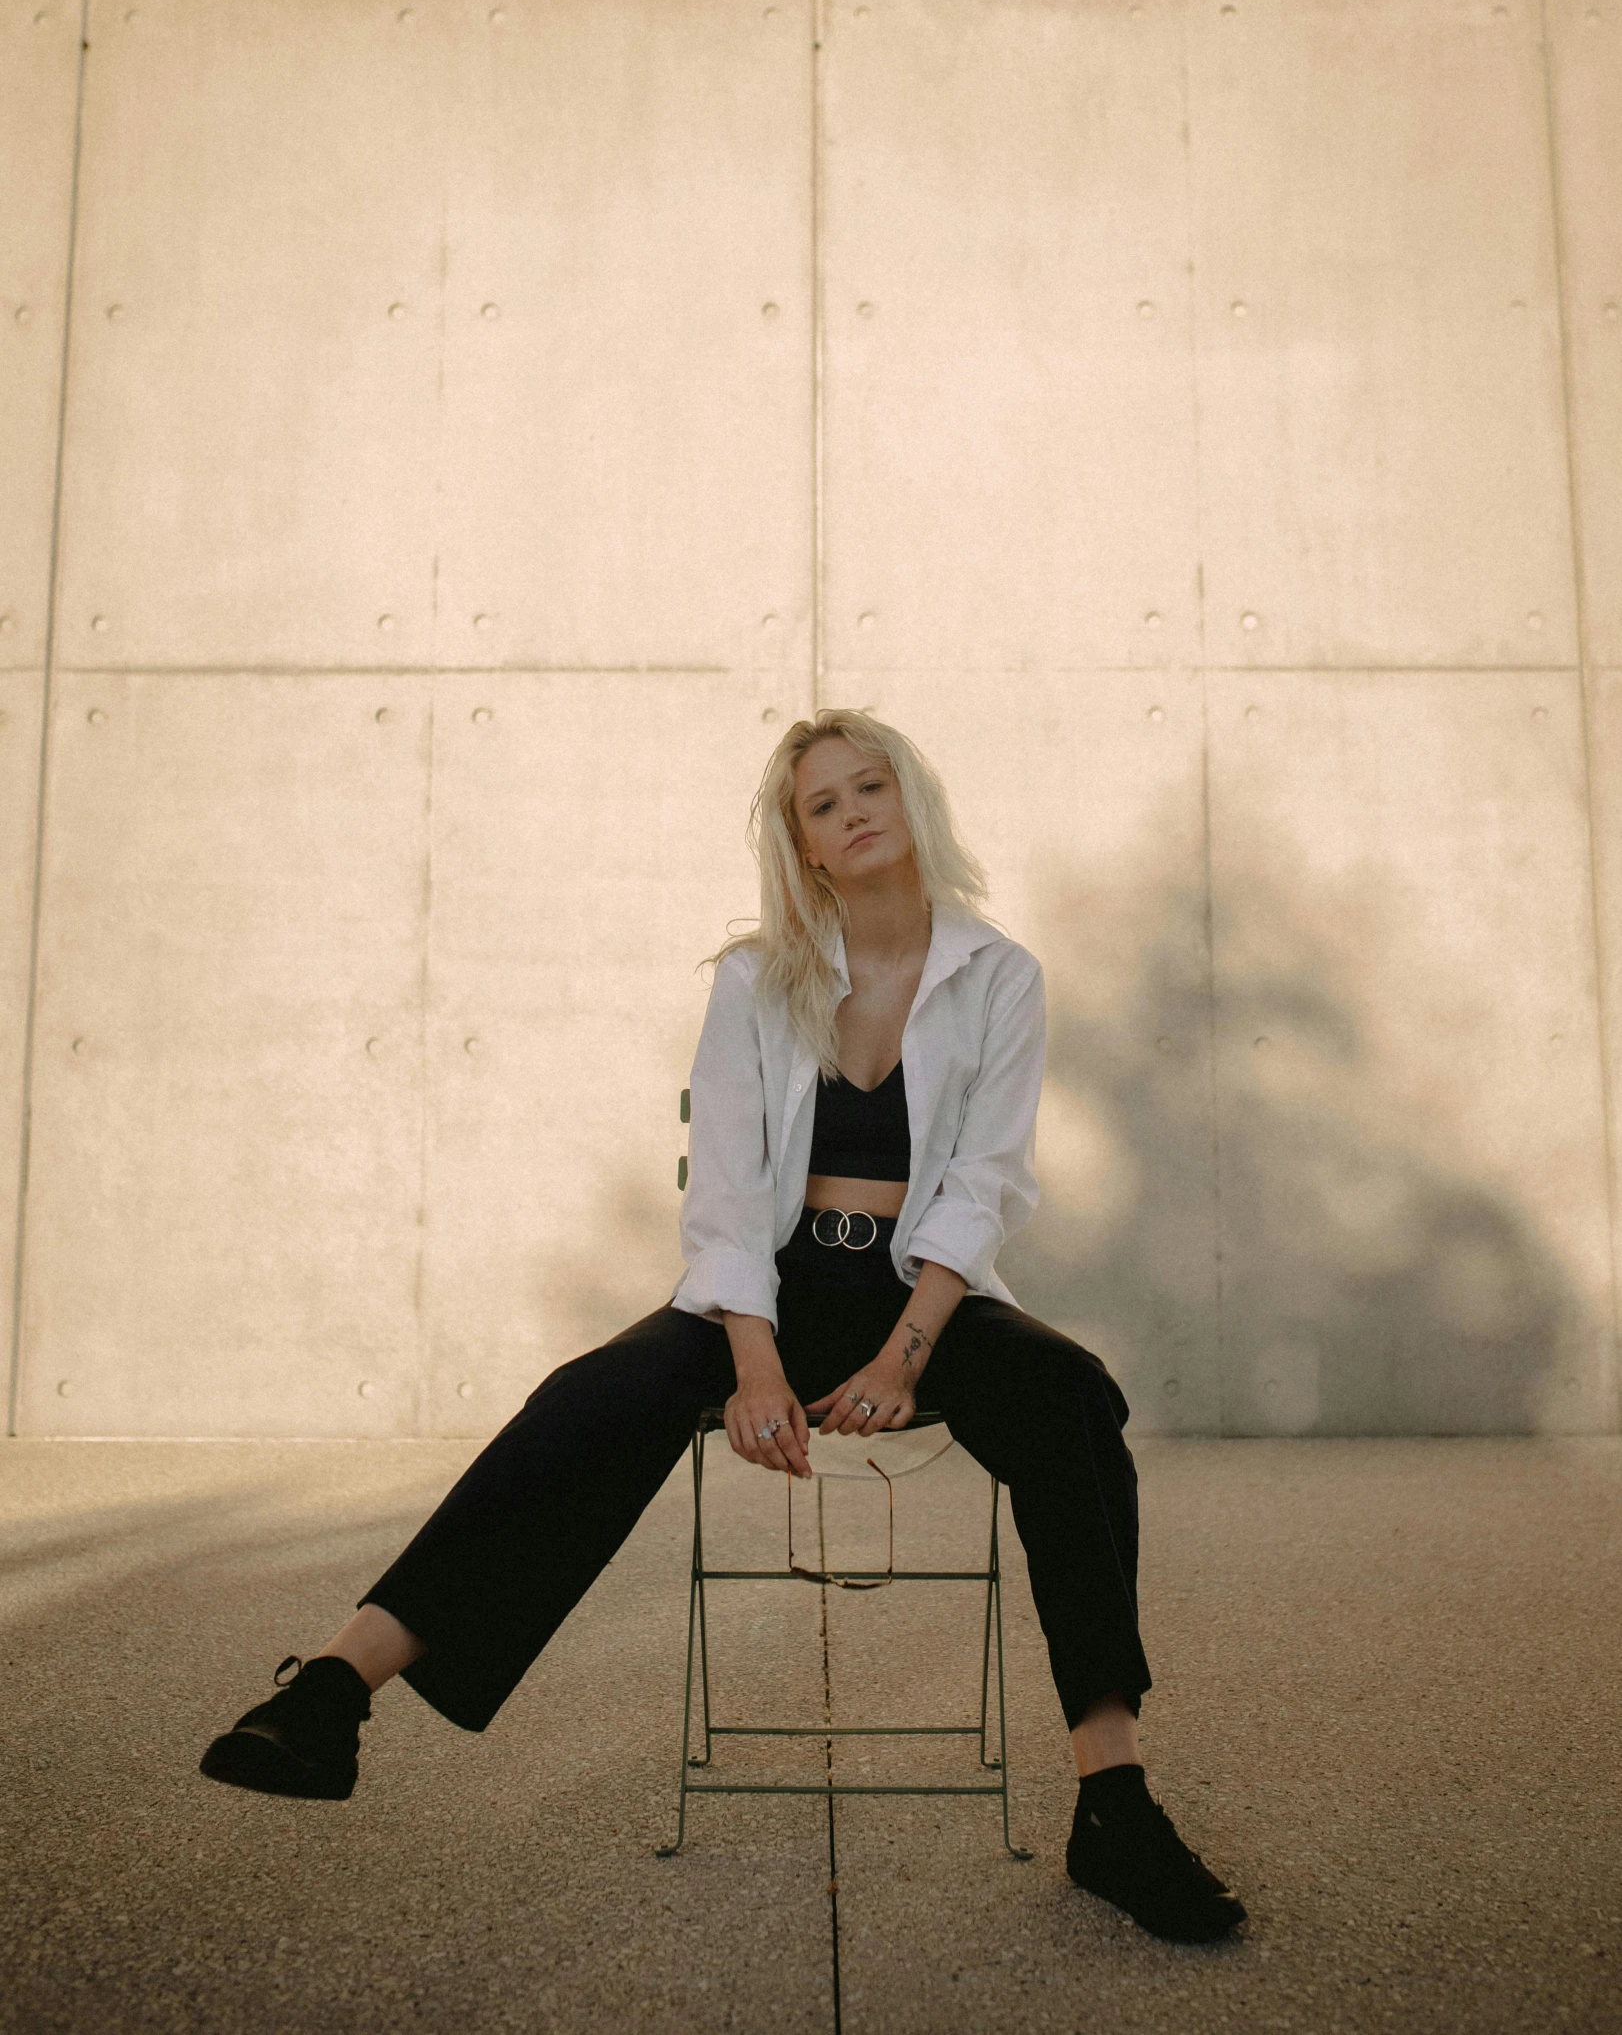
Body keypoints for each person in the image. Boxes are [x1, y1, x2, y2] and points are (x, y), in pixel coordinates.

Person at [200, 709, 1245, 1945]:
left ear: (913, 804)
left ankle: (1112, 1804)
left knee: (1072, 1395)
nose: (854, 811)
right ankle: (332, 1688)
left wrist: (903, 1356)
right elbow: (729, 1194)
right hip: (761, 1285)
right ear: (800, 843)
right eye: (823, 802)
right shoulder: (759, 977)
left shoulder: (998, 974)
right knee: (589, 1397)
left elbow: (986, 1183)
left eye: (873, 786)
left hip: (921, 1297)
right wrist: (752, 1358)